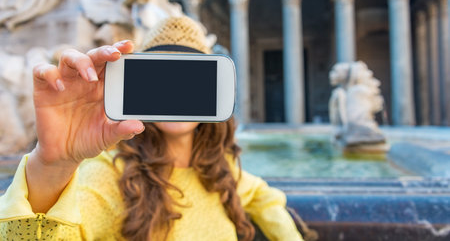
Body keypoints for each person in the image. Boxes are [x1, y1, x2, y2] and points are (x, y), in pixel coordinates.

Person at [0, 16, 303, 241]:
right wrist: (53, 165)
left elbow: (263, 195)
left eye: (188, 80)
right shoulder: (111, 175)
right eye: (162, 79)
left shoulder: (219, 171)